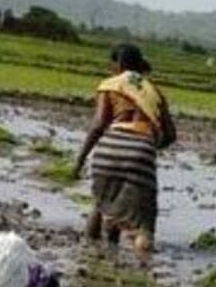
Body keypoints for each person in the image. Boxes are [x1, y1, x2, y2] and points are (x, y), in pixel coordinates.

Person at [74, 43, 177, 267]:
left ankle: (90, 259)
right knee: (144, 222)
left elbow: (99, 124)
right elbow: (170, 135)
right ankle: (141, 271)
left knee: (102, 204)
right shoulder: (154, 91)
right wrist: (146, 147)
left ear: (118, 65)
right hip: (141, 148)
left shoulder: (110, 85)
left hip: (110, 146)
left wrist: (80, 160)